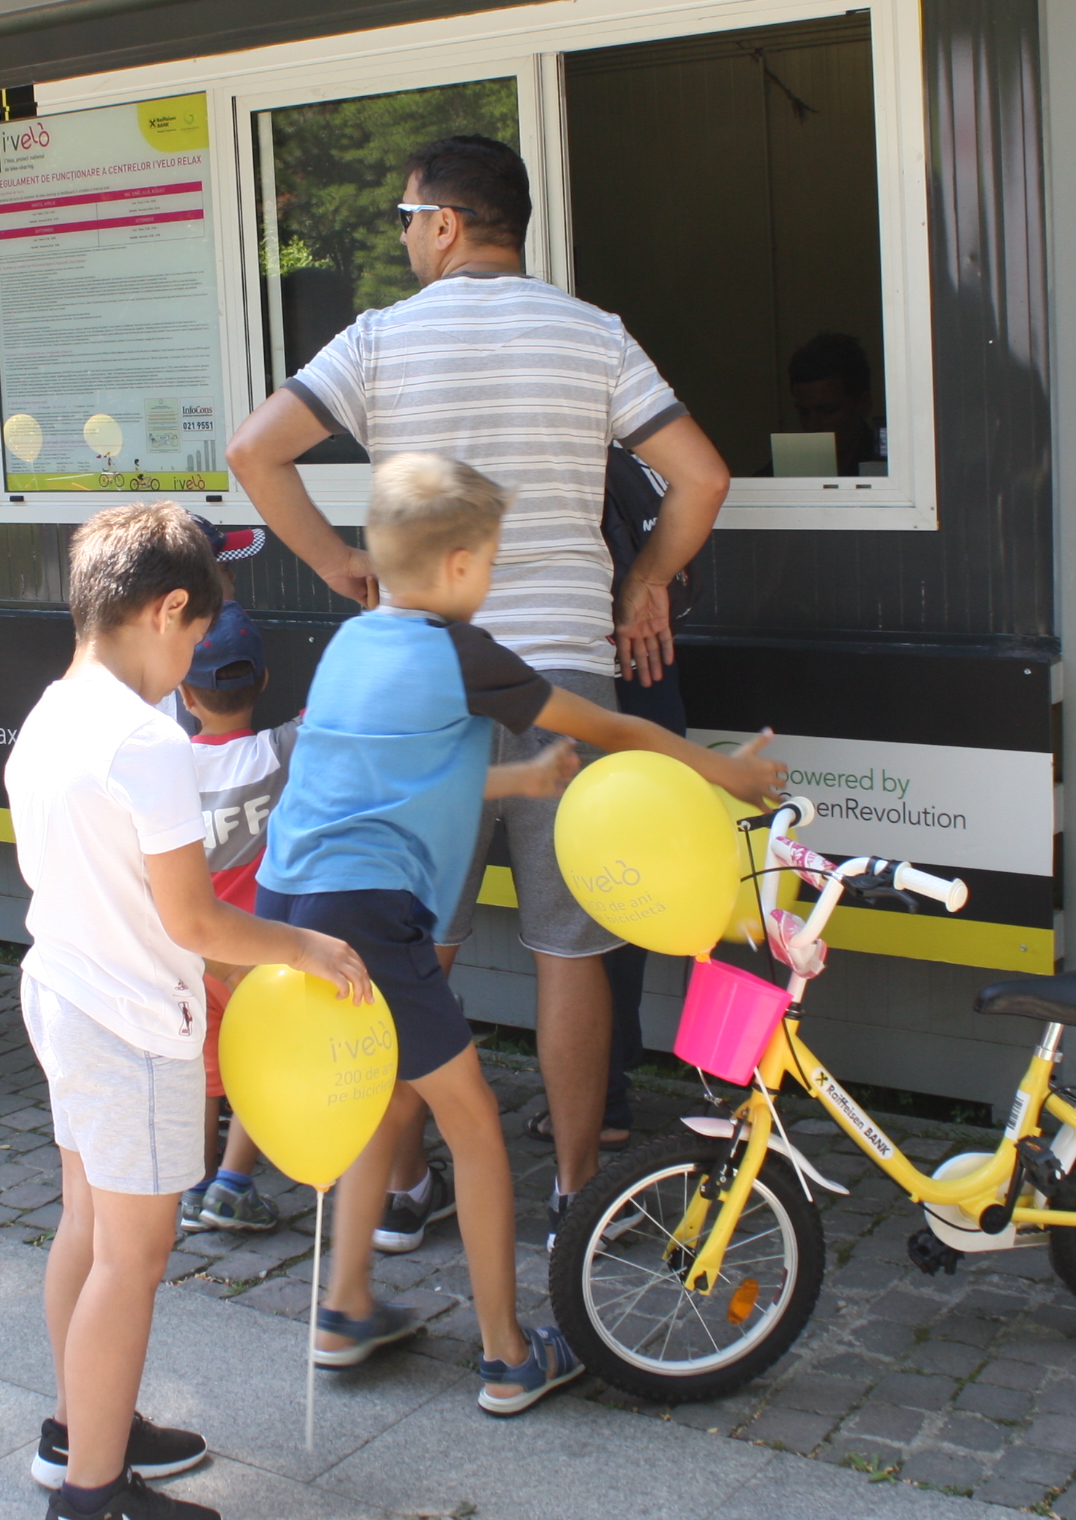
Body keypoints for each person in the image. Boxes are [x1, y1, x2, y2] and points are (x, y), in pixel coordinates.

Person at [225, 132, 773, 1237]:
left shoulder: (378, 338)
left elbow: (253, 451)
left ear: (441, 223)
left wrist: (338, 564)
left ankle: (402, 1189)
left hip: (420, 676)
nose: (402, 238)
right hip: (562, 665)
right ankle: (576, 1193)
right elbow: (703, 477)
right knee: (570, 948)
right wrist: (641, 581)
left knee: (406, 947)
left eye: (404, 218)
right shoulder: (593, 334)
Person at [258, 453, 770, 1412]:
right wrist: (727, 774)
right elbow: (615, 730)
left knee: (378, 1096)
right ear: (458, 566)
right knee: (475, 1126)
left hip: (291, 899)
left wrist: (521, 779)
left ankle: (345, 1306)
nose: (489, 578)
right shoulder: (462, 653)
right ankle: (508, 1355)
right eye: (490, 560)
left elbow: (389, 780)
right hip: (368, 913)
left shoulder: (353, 643)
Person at [3, 502, 373, 1520]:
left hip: (64, 990)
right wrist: (304, 945)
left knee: (86, 1227)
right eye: (197, 631)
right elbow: (195, 919)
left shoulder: (52, 711)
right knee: (133, 1257)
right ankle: (92, 1493)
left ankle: (82, 1429)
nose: (193, 659)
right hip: (131, 1020)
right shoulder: (146, 742)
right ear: (167, 609)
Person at [174, 600, 299, 1235]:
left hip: (193, 957)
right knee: (261, 1066)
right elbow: (329, 715)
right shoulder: (280, 752)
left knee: (206, 1074)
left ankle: (194, 1184)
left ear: (185, 695)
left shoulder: (167, 769)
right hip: (258, 956)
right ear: (265, 682)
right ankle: (233, 1184)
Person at [784, 332, 881, 477]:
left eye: (827, 410)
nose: (813, 425)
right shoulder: (789, 468)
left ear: (863, 403)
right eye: (803, 412)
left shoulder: (890, 466)